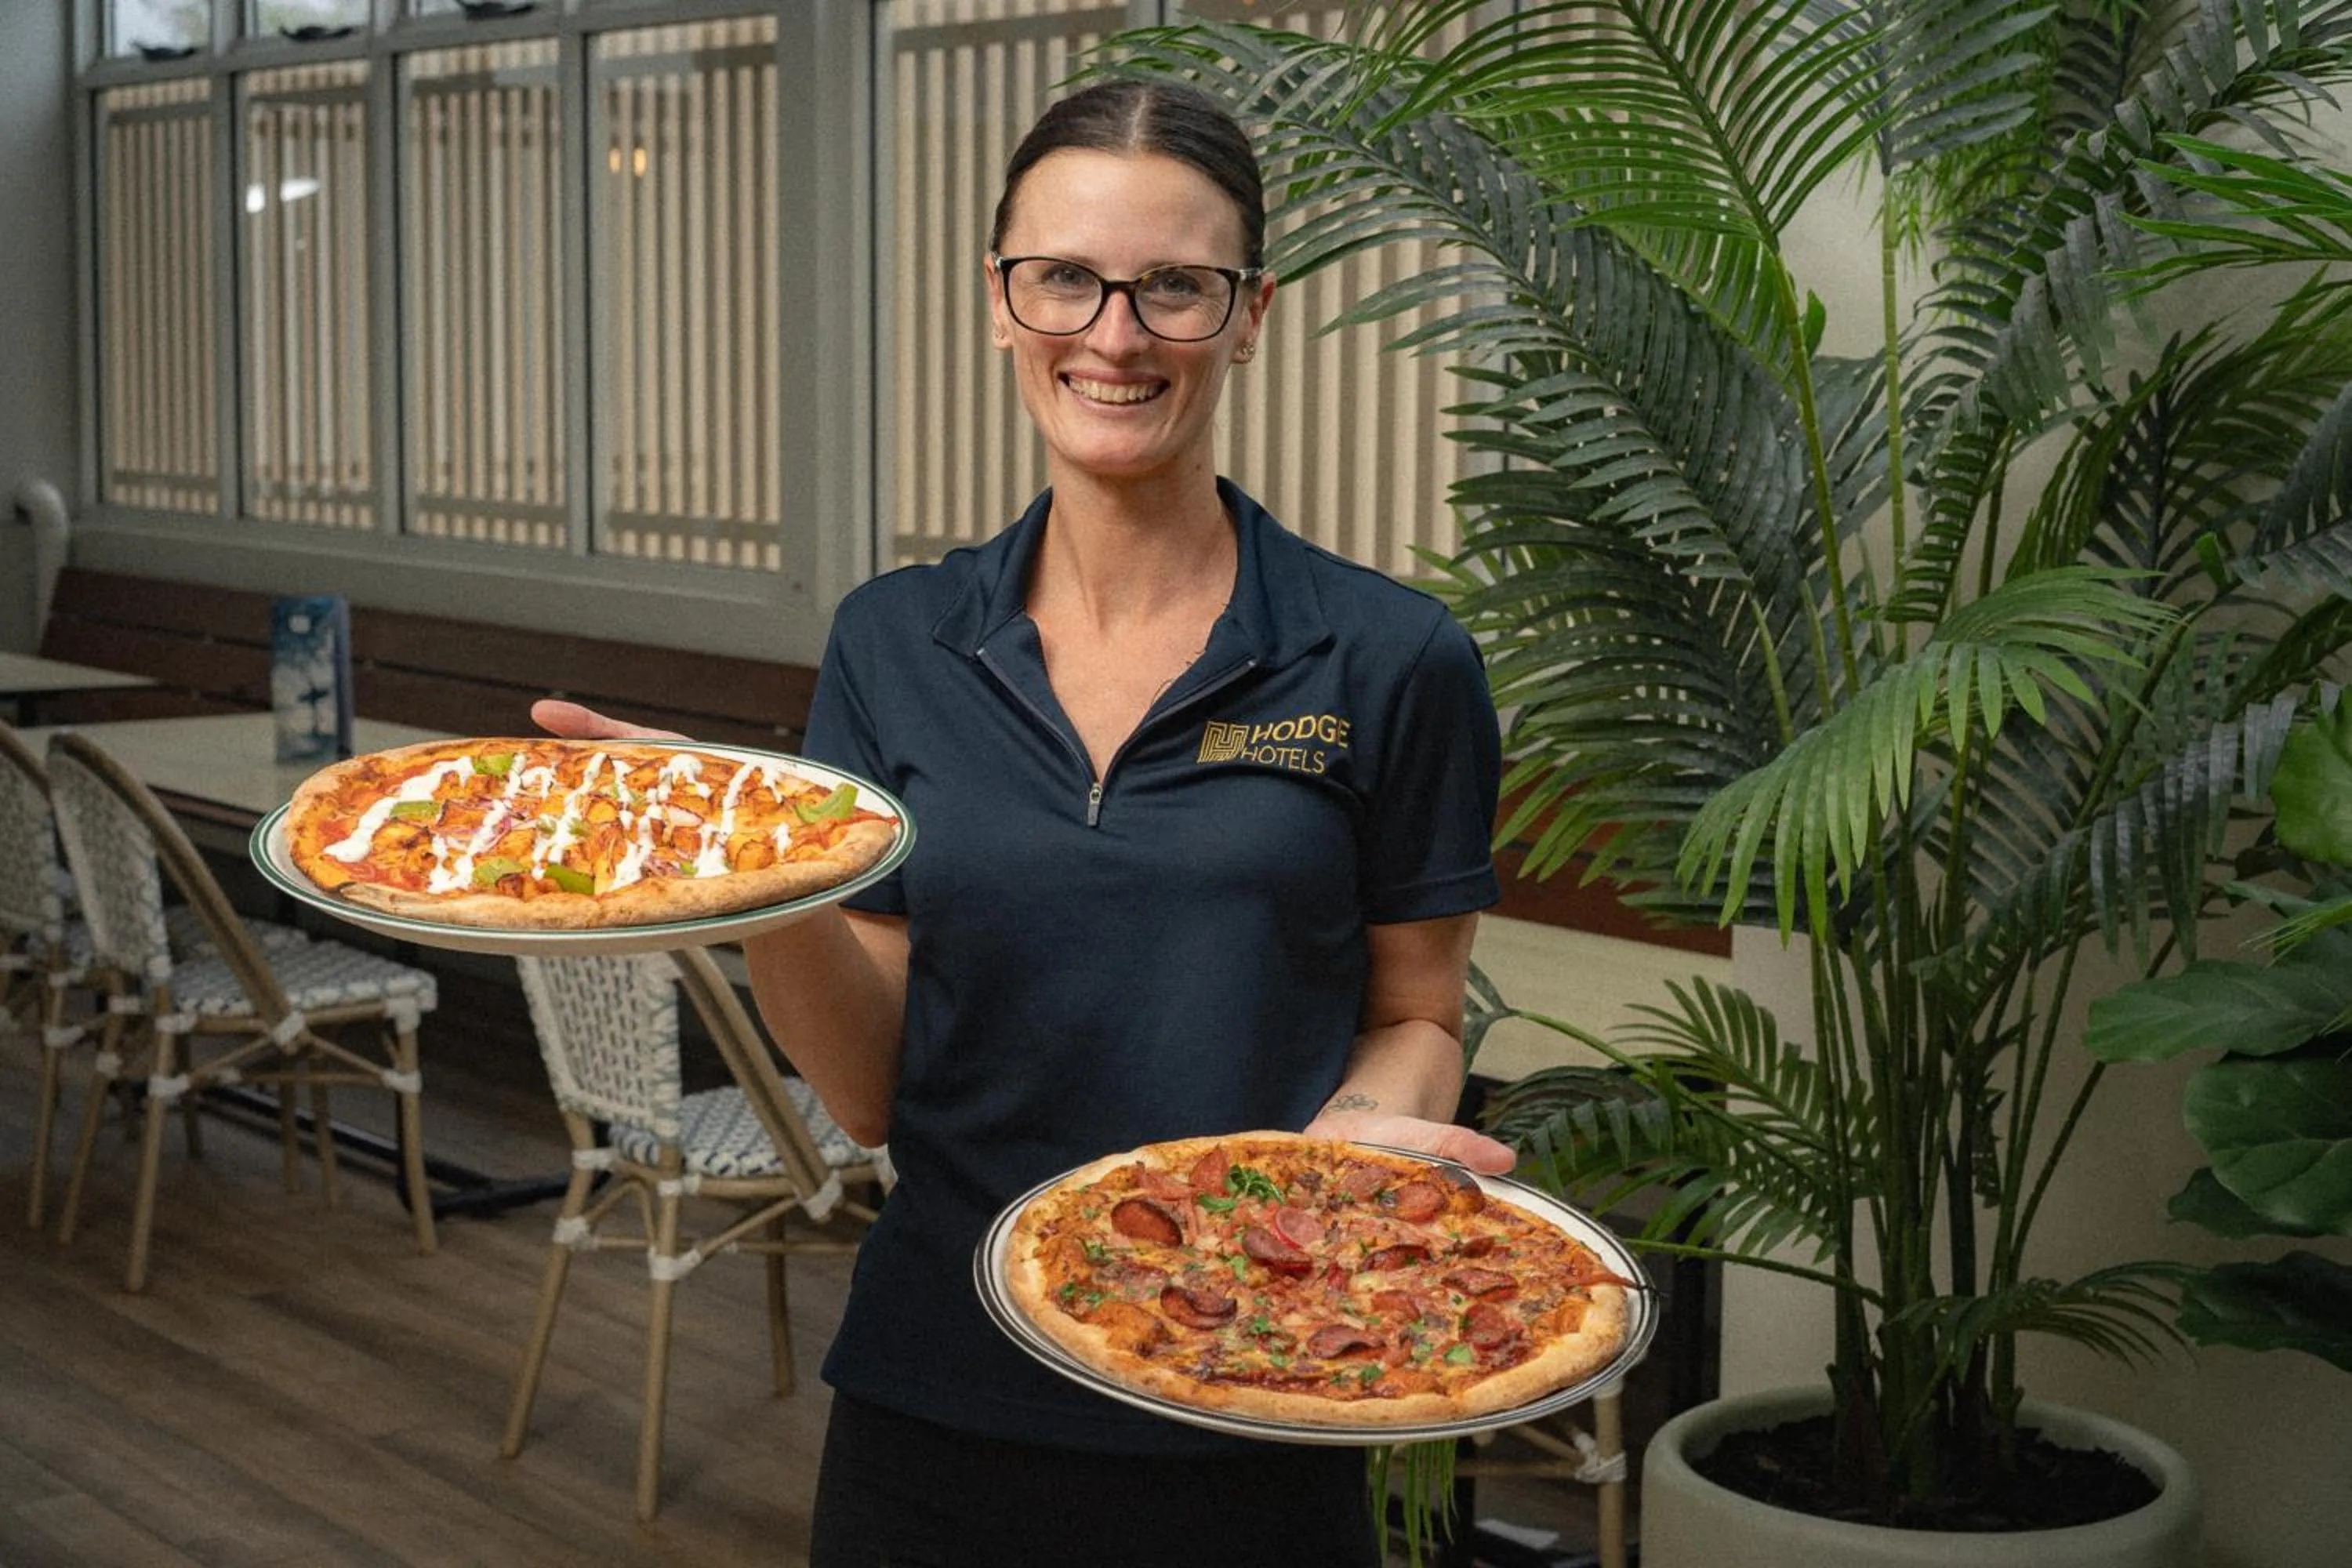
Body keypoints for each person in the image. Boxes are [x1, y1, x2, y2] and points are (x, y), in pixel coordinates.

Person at [536, 78, 1510, 1568]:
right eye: (1065, 278)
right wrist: (759, 857)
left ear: (1250, 315)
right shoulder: (892, 641)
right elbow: (869, 1090)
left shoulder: (1390, 656)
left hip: (1254, 1394)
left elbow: (1418, 1012)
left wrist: (1340, 1167)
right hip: (939, 1393)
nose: (1114, 337)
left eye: (1174, 288)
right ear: (1000, 300)